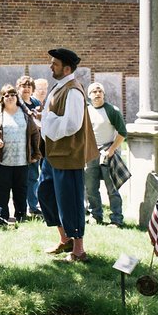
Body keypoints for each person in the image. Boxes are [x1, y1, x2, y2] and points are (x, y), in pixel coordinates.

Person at [38, 48, 98, 263]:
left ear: (67, 68)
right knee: (45, 193)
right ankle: (65, 239)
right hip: (52, 154)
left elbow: (72, 124)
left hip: (67, 154)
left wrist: (50, 122)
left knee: (70, 201)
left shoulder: (73, 90)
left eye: (54, 63)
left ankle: (79, 251)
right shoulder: (59, 86)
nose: (50, 66)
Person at [0, 85, 41, 225]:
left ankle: (21, 215)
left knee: (21, 189)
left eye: (13, 95)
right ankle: (2, 216)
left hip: (22, 159)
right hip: (1, 160)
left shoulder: (25, 113)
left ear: (17, 97)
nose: (10, 97)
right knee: (2, 189)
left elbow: (35, 133)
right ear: (2, 98)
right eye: (6, 95)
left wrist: (36, 153)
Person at [84, 82, 128, 227]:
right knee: (91, 187)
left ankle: (117, 219)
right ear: (89, 95)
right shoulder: (86, 111)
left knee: (112, 188)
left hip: (107, 152)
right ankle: (95, 216)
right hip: (90, 152)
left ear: (103, 94)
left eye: (99, 91)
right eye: (94, 91)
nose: (97, 94)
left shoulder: (112, 110)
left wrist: (112, 149)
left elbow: (122, 133)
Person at [16, 75, 43, 216]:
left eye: (29, 86)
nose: (26, 89)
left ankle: (33, 206)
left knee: (33, 175)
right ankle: (20, 207)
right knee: (20, 177)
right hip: (20, 144)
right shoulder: (15, 103)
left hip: (35, 144)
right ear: (18, 88)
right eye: (23, 86)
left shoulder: (36, 102)